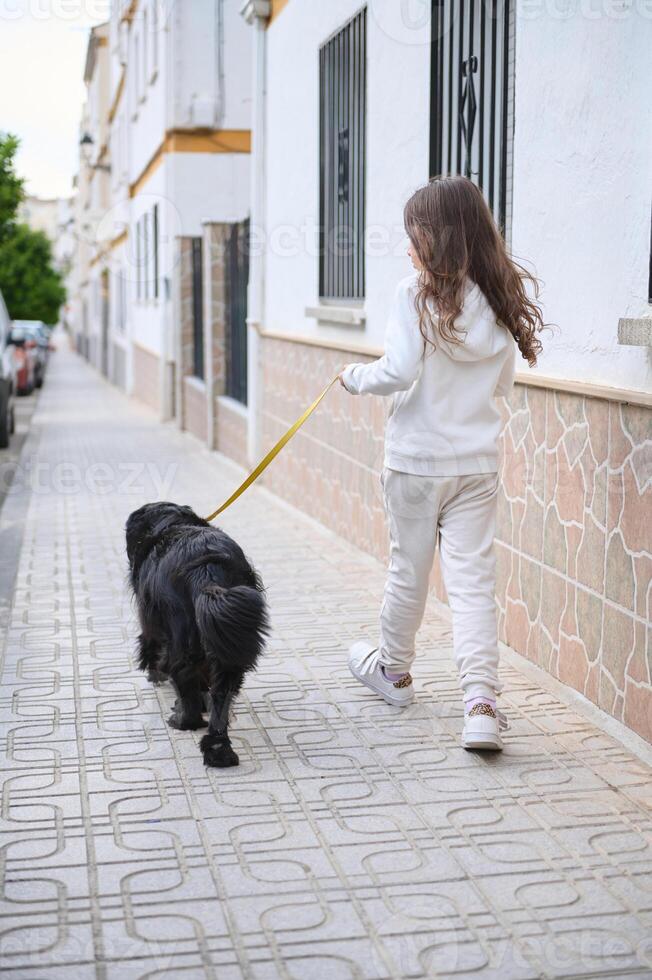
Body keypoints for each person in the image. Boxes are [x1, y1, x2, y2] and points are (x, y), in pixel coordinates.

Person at [339, 175, 544, 751]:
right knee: (474, 584)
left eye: (415, 234)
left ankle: (394, 673)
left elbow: (399, 371)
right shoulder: (499, 298)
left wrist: (354, 378)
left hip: (415, 463)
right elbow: (502, 384)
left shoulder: (413, 294)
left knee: (409, 569)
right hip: (475, 463)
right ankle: (481, 704)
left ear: (436, 238)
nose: (408, 246)